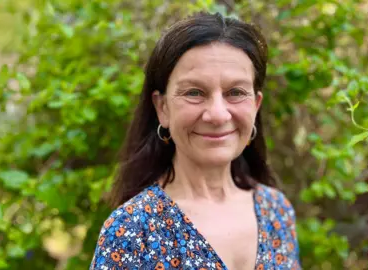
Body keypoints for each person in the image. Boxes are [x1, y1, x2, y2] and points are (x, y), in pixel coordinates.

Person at [90, 12, 300, 270]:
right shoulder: (132, 231)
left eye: (235, 92)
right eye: (194, 93)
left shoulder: (276, 211)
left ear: (256, 105)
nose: (217, 114)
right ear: (162, 107)